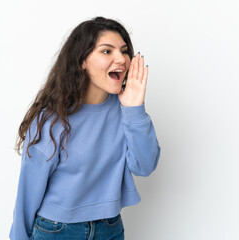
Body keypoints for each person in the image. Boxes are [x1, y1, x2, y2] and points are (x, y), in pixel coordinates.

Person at [9, 16, 161, 240]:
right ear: (82, 60)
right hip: (57, 231)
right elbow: (28, 191)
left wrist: (134, 109)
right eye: (107, 51)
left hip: (110, 229)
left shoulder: (126, 111)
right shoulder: (52, 119)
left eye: (124, 50)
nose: (121, 59)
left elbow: (145, 166)